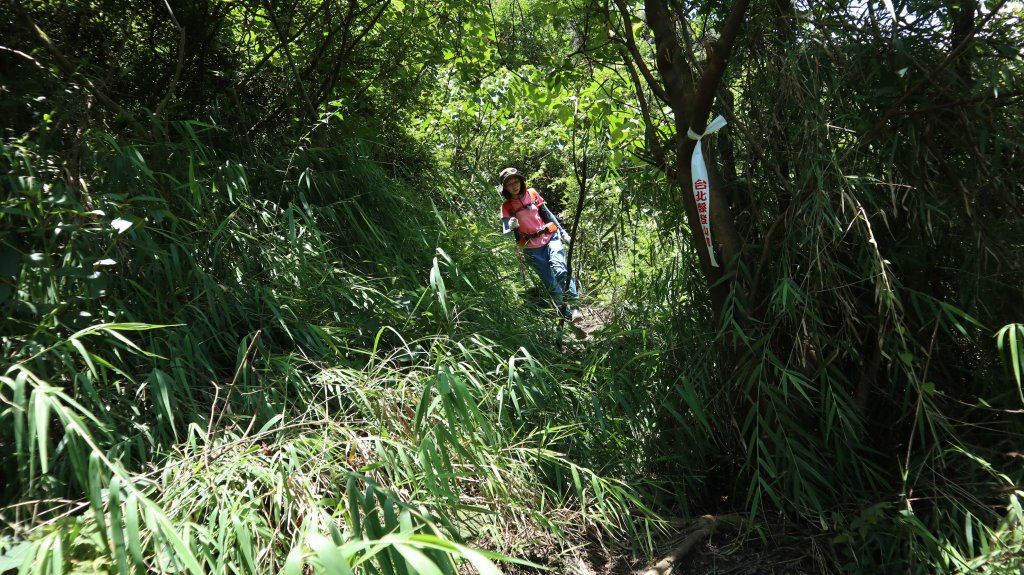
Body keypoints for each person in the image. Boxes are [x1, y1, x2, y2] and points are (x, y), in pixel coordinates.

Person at [497, 167, 581, 321]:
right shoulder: (506, 207)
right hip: (531, 249)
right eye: (509, 184)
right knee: (550, 283)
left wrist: (563, 233)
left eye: (516, 181)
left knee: (561, 270)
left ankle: (575, 306)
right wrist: (511, 226)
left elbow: (547, 214)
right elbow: (506, 232)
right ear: (505, 188)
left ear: (521, 181)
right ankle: (567, 315)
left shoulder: (532, 194)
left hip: (550, 237)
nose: (514, 185)